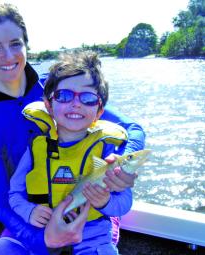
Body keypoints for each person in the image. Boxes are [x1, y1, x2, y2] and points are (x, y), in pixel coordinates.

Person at [0, 2, 145, 254]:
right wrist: (44, 239)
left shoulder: (61, 90)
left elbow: (132, 129)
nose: (8, 56)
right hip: (32, 217)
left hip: (92, 217)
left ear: (26, 45)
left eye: (15, 44)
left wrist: (120, 168)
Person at [8, 51, 132, 255]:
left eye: (88, 98)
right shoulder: (36, 148)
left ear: (99, 111)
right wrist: (29, 211)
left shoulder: (107, 150)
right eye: (64, 96)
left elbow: (124, 203)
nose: (76, 103)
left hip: (93, 237)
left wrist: (105, 202)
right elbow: (15, 194)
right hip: (42, 230)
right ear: (49, 104)